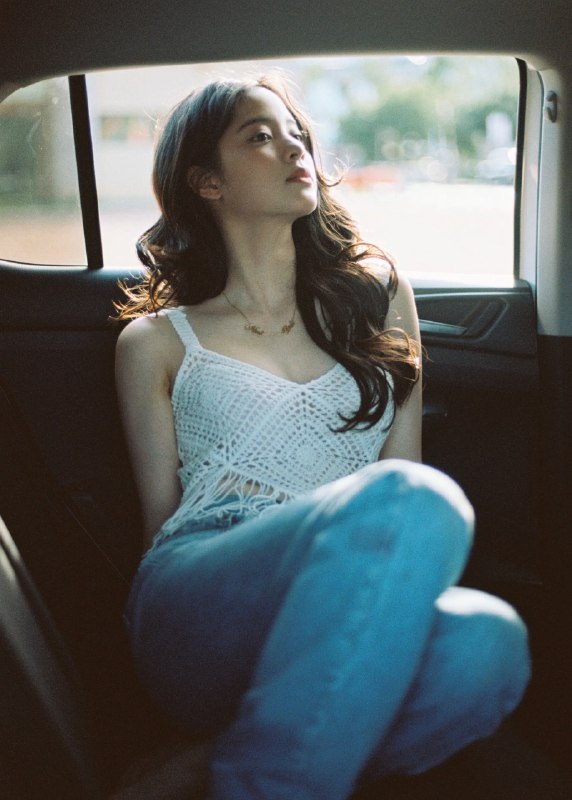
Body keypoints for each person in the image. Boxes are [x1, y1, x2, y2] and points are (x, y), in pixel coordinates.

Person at [115, 75, 530, 800]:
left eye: (297, 134)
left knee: (490, 642)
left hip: (347, 585)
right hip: (203, 594)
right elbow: (158, 522)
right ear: (207, 181)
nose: (295, 149)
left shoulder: (379, 298)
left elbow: (400, 484)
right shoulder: (156, 341)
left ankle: (216, 764)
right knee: (413, 497)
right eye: (261, 136)